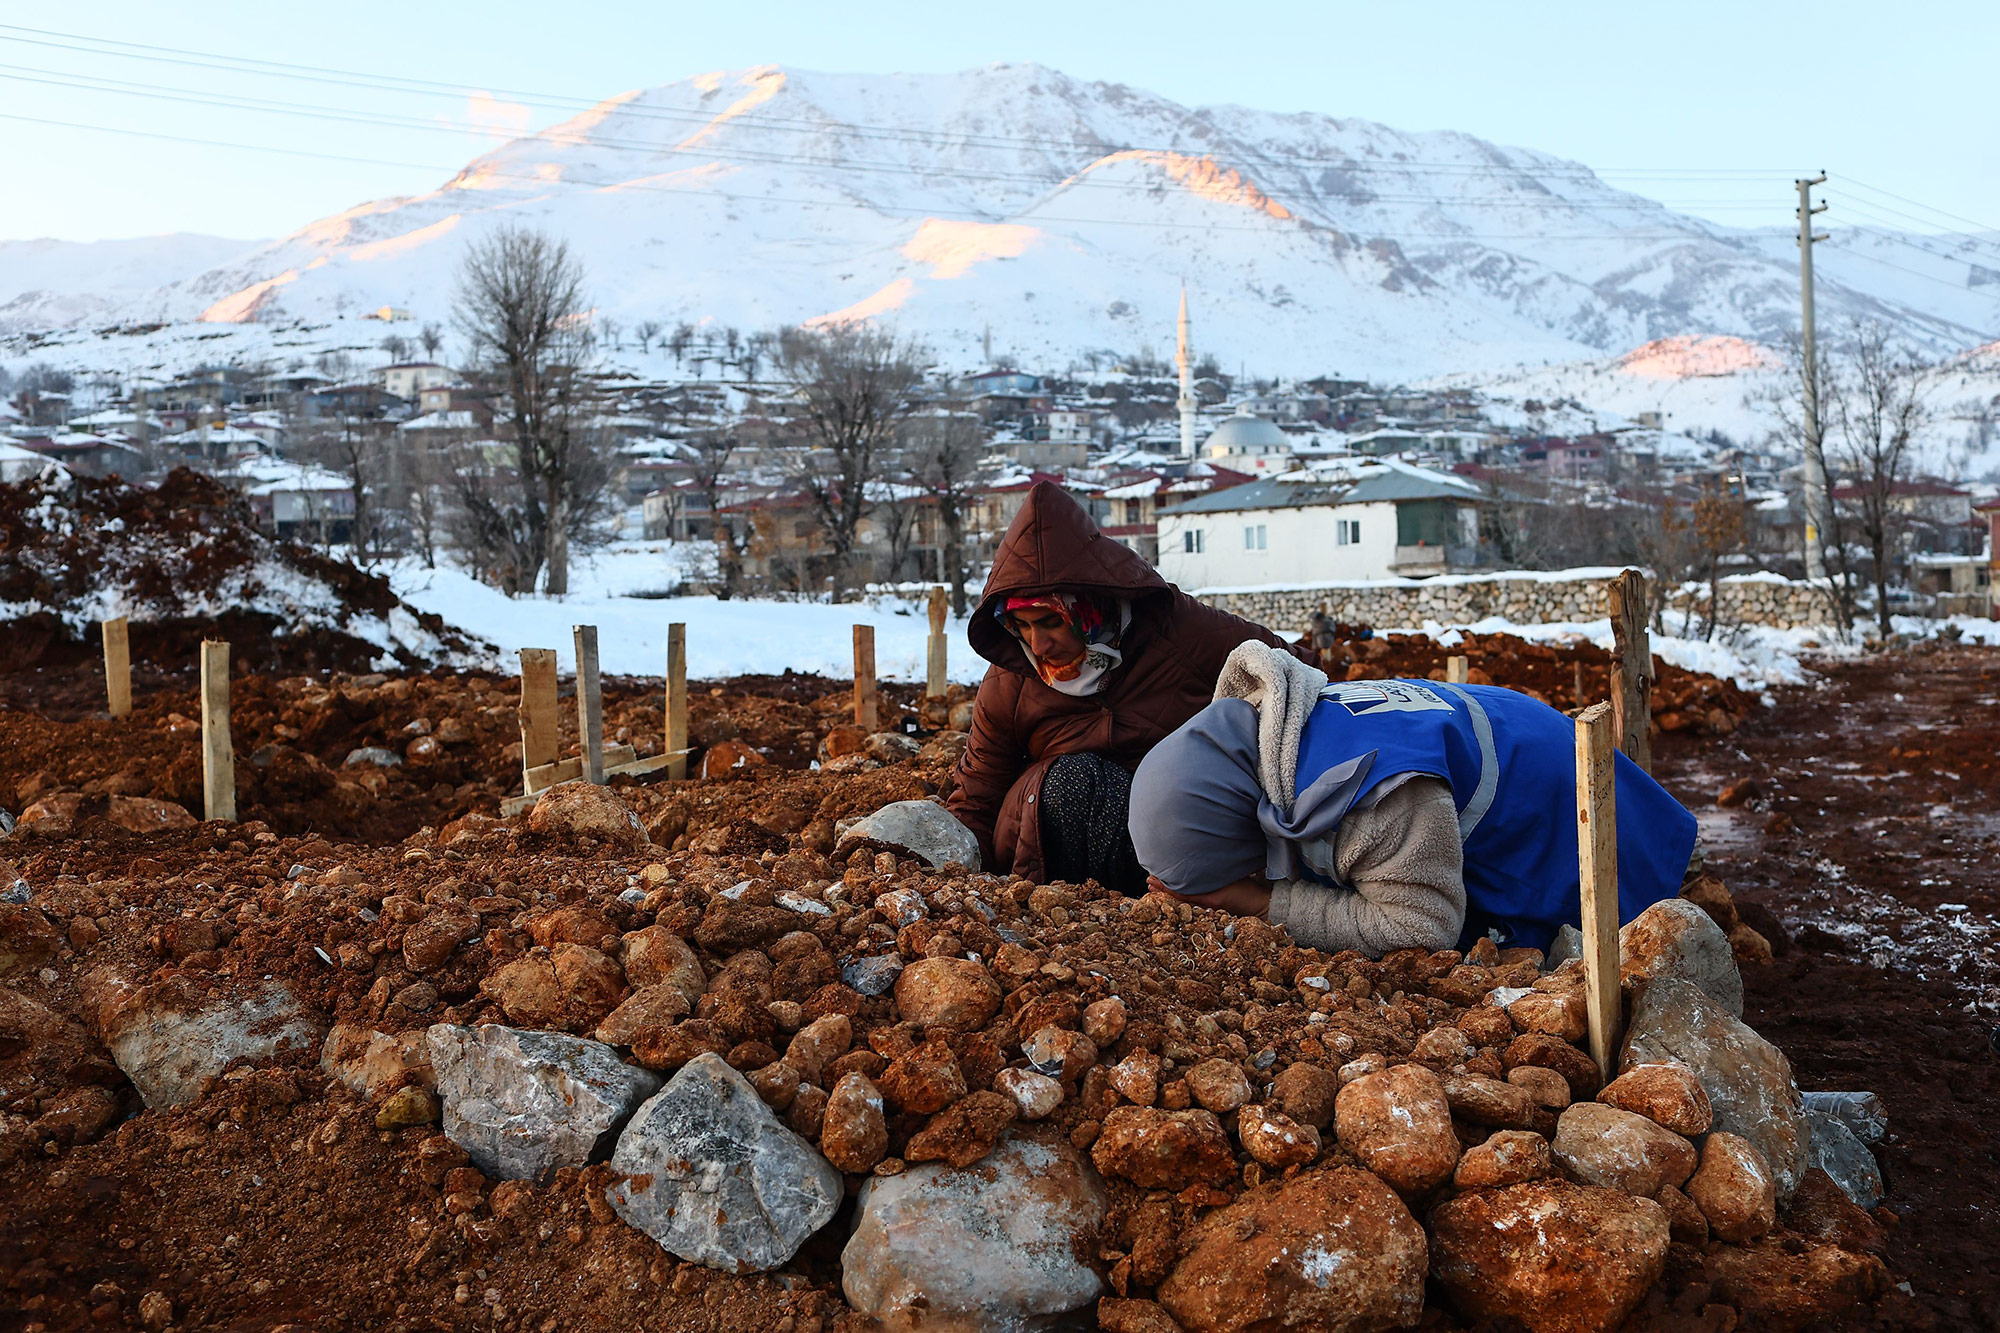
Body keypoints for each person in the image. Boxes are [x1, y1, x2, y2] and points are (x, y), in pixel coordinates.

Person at [1127, 641, 1697, 956]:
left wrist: (1255, 902)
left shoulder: (1367, 794)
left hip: (1587, 825)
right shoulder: (1283, 726)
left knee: (1620, 954)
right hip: (1532, 746)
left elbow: (1421, 928)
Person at [945, 481, 1312, 894]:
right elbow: (977, 794)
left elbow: (1292, 670)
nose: (1037, 645)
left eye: (1051, 622)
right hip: (1056, 851)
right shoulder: (1012, 679)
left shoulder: (1178, 631)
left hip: (1179, 830)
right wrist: (959, 885)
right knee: (1074, 779)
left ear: (1092, 609)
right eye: (1022, 626)